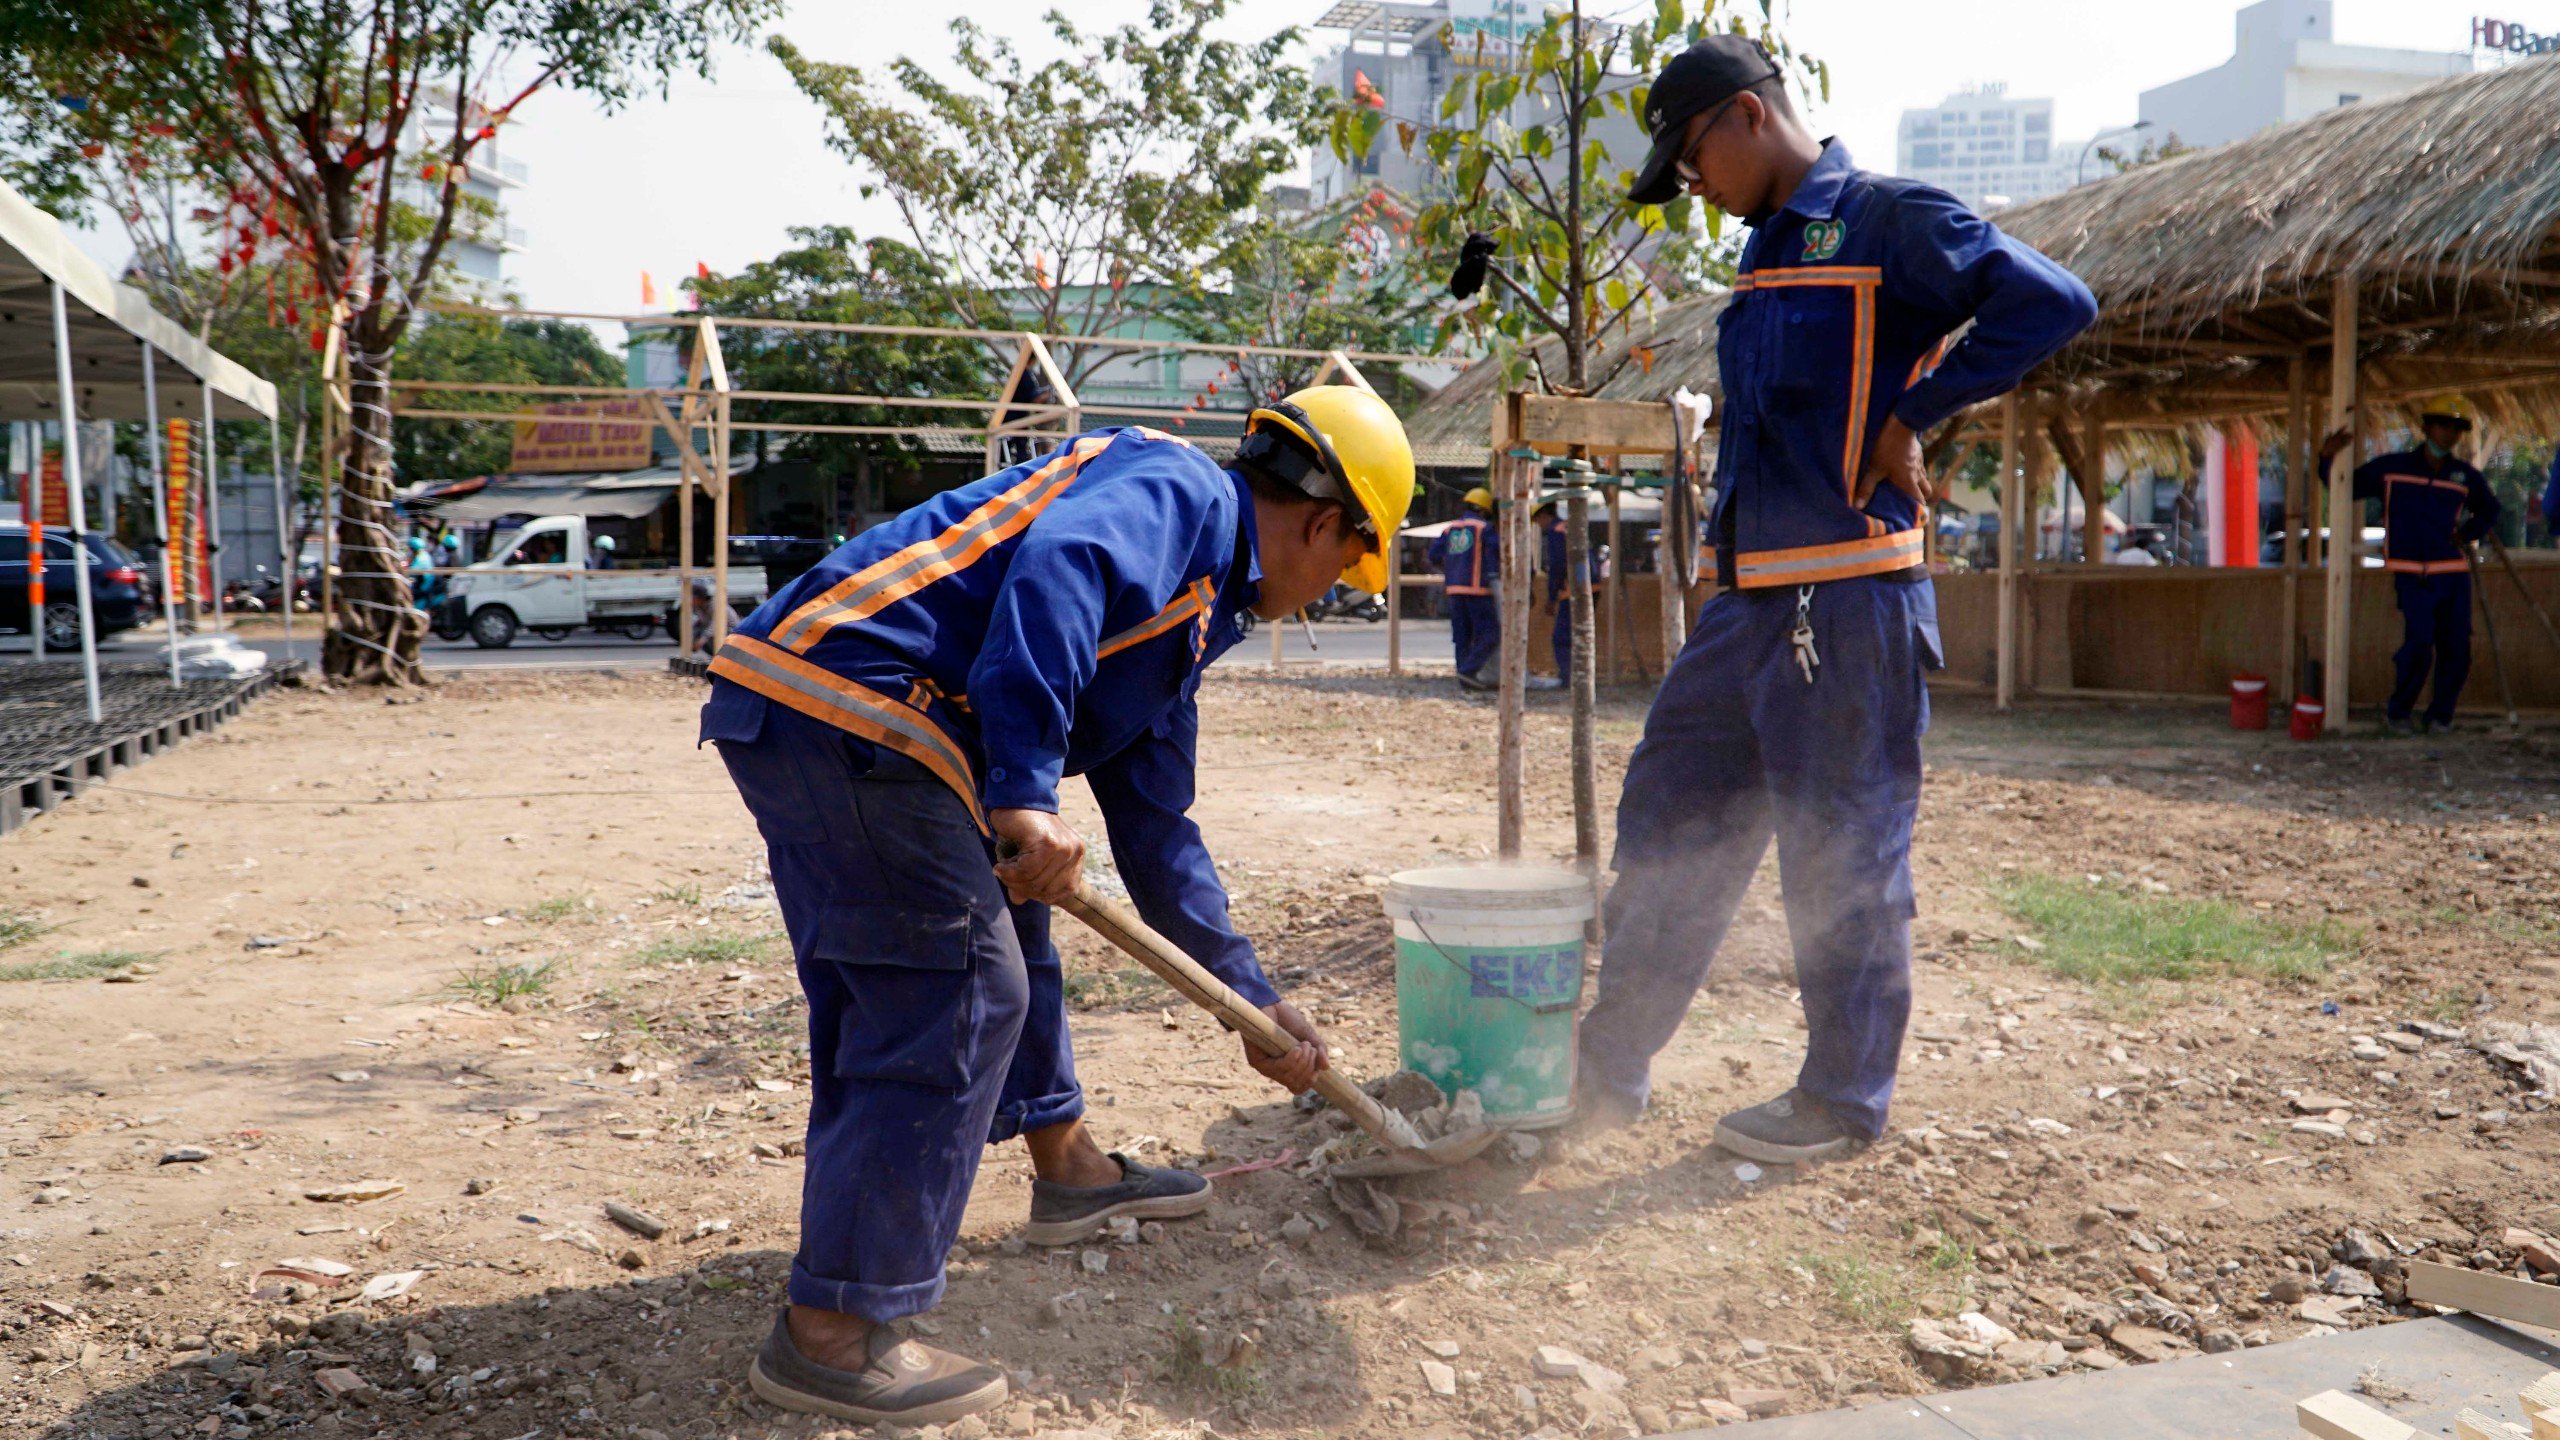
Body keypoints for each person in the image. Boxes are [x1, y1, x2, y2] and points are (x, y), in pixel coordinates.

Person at [698, 388, 1411, 1426]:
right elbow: (1061, 568)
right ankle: (833, 1335)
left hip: (878, 715)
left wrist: (1253, 1005)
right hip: (850, 693)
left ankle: (1067, 1168)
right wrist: (1026, 791)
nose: (1332, 587)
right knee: (953, 991)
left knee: (1011, 921)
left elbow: (1160, 835)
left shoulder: (1196, 608)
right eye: (1351, 562)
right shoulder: (1180, 492)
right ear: (1322, 522)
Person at [1574, 35, 2097, 1164]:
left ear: (1747, 117)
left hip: (1848, 608)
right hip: (1746, 607)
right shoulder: (1768, 248)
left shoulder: (1887, 216)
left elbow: (2051, 301)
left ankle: (1840, 1100)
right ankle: (1602, 1069)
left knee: (1841, 852)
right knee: (1668, 821)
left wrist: (1918, 414)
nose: (1693, 190)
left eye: (1690, 159)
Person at [2317, 401, 2501, 736]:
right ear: (2428, 428)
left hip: (2452, 574)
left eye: (2456, 429)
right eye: (2444, 426)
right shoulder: (2393, 468)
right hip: (2411, 573)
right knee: (2419, 643)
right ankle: (2399, 713)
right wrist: (2326, 458)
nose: (2450, 434)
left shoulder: (2464, 476)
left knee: (2457, 649)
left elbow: (2491, 510)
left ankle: (2440, 717)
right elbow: (2345, 487)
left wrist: (2466, 534)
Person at [1428, 486, 1499, 690]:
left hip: (1454, 590)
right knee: (1490, 634)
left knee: (1462, 637)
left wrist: (1451, 569)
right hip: (1478, 590)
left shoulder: (1450, 528)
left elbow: (1433, 555)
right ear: (1486, 510)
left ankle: (1464, 680)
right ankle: (1468, 671)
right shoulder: (1484, 528)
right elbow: (1496, 553)